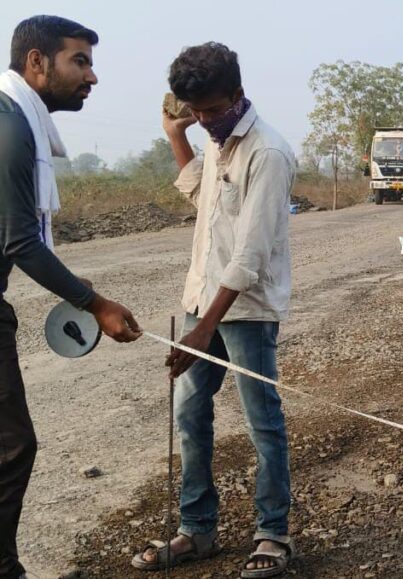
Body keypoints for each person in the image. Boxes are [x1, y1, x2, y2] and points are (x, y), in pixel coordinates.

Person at [132, 42, 296, 577]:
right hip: (202, 303)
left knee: (261, 421)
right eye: (194, 111)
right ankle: (197, 530)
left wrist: (205, 328)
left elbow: (250, 254)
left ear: (237, 93)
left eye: (210, 109)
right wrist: (177, 137)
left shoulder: (266, 153)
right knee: (187, 413)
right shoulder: (214, 141)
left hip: (244, 310)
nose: (204, 119)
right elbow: (201, 200)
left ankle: (272, 534)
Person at [0, 15, 142, 579]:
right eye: (78, 61)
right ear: (37, 63)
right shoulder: (11, 124)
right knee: (11, 447)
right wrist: (97, 305)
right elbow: (19, 241)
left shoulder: (15, 118)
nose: (92, 76)